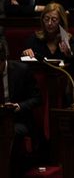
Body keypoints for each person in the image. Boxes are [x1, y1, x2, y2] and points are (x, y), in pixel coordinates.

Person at [0, 39, 42, 177]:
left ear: (3, 59)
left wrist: (19, 106)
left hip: (19, 120)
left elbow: (37, 99)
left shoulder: (21, 70)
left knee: (12, 133)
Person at [22, 3, 74, 72]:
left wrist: (69, 55)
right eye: (46, 19)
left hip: (63, 80)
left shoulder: (71, 41)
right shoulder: (34, 39)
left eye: (54, 20)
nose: (49, 23)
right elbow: (24, 68)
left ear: (61, 21)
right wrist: (25, 54)